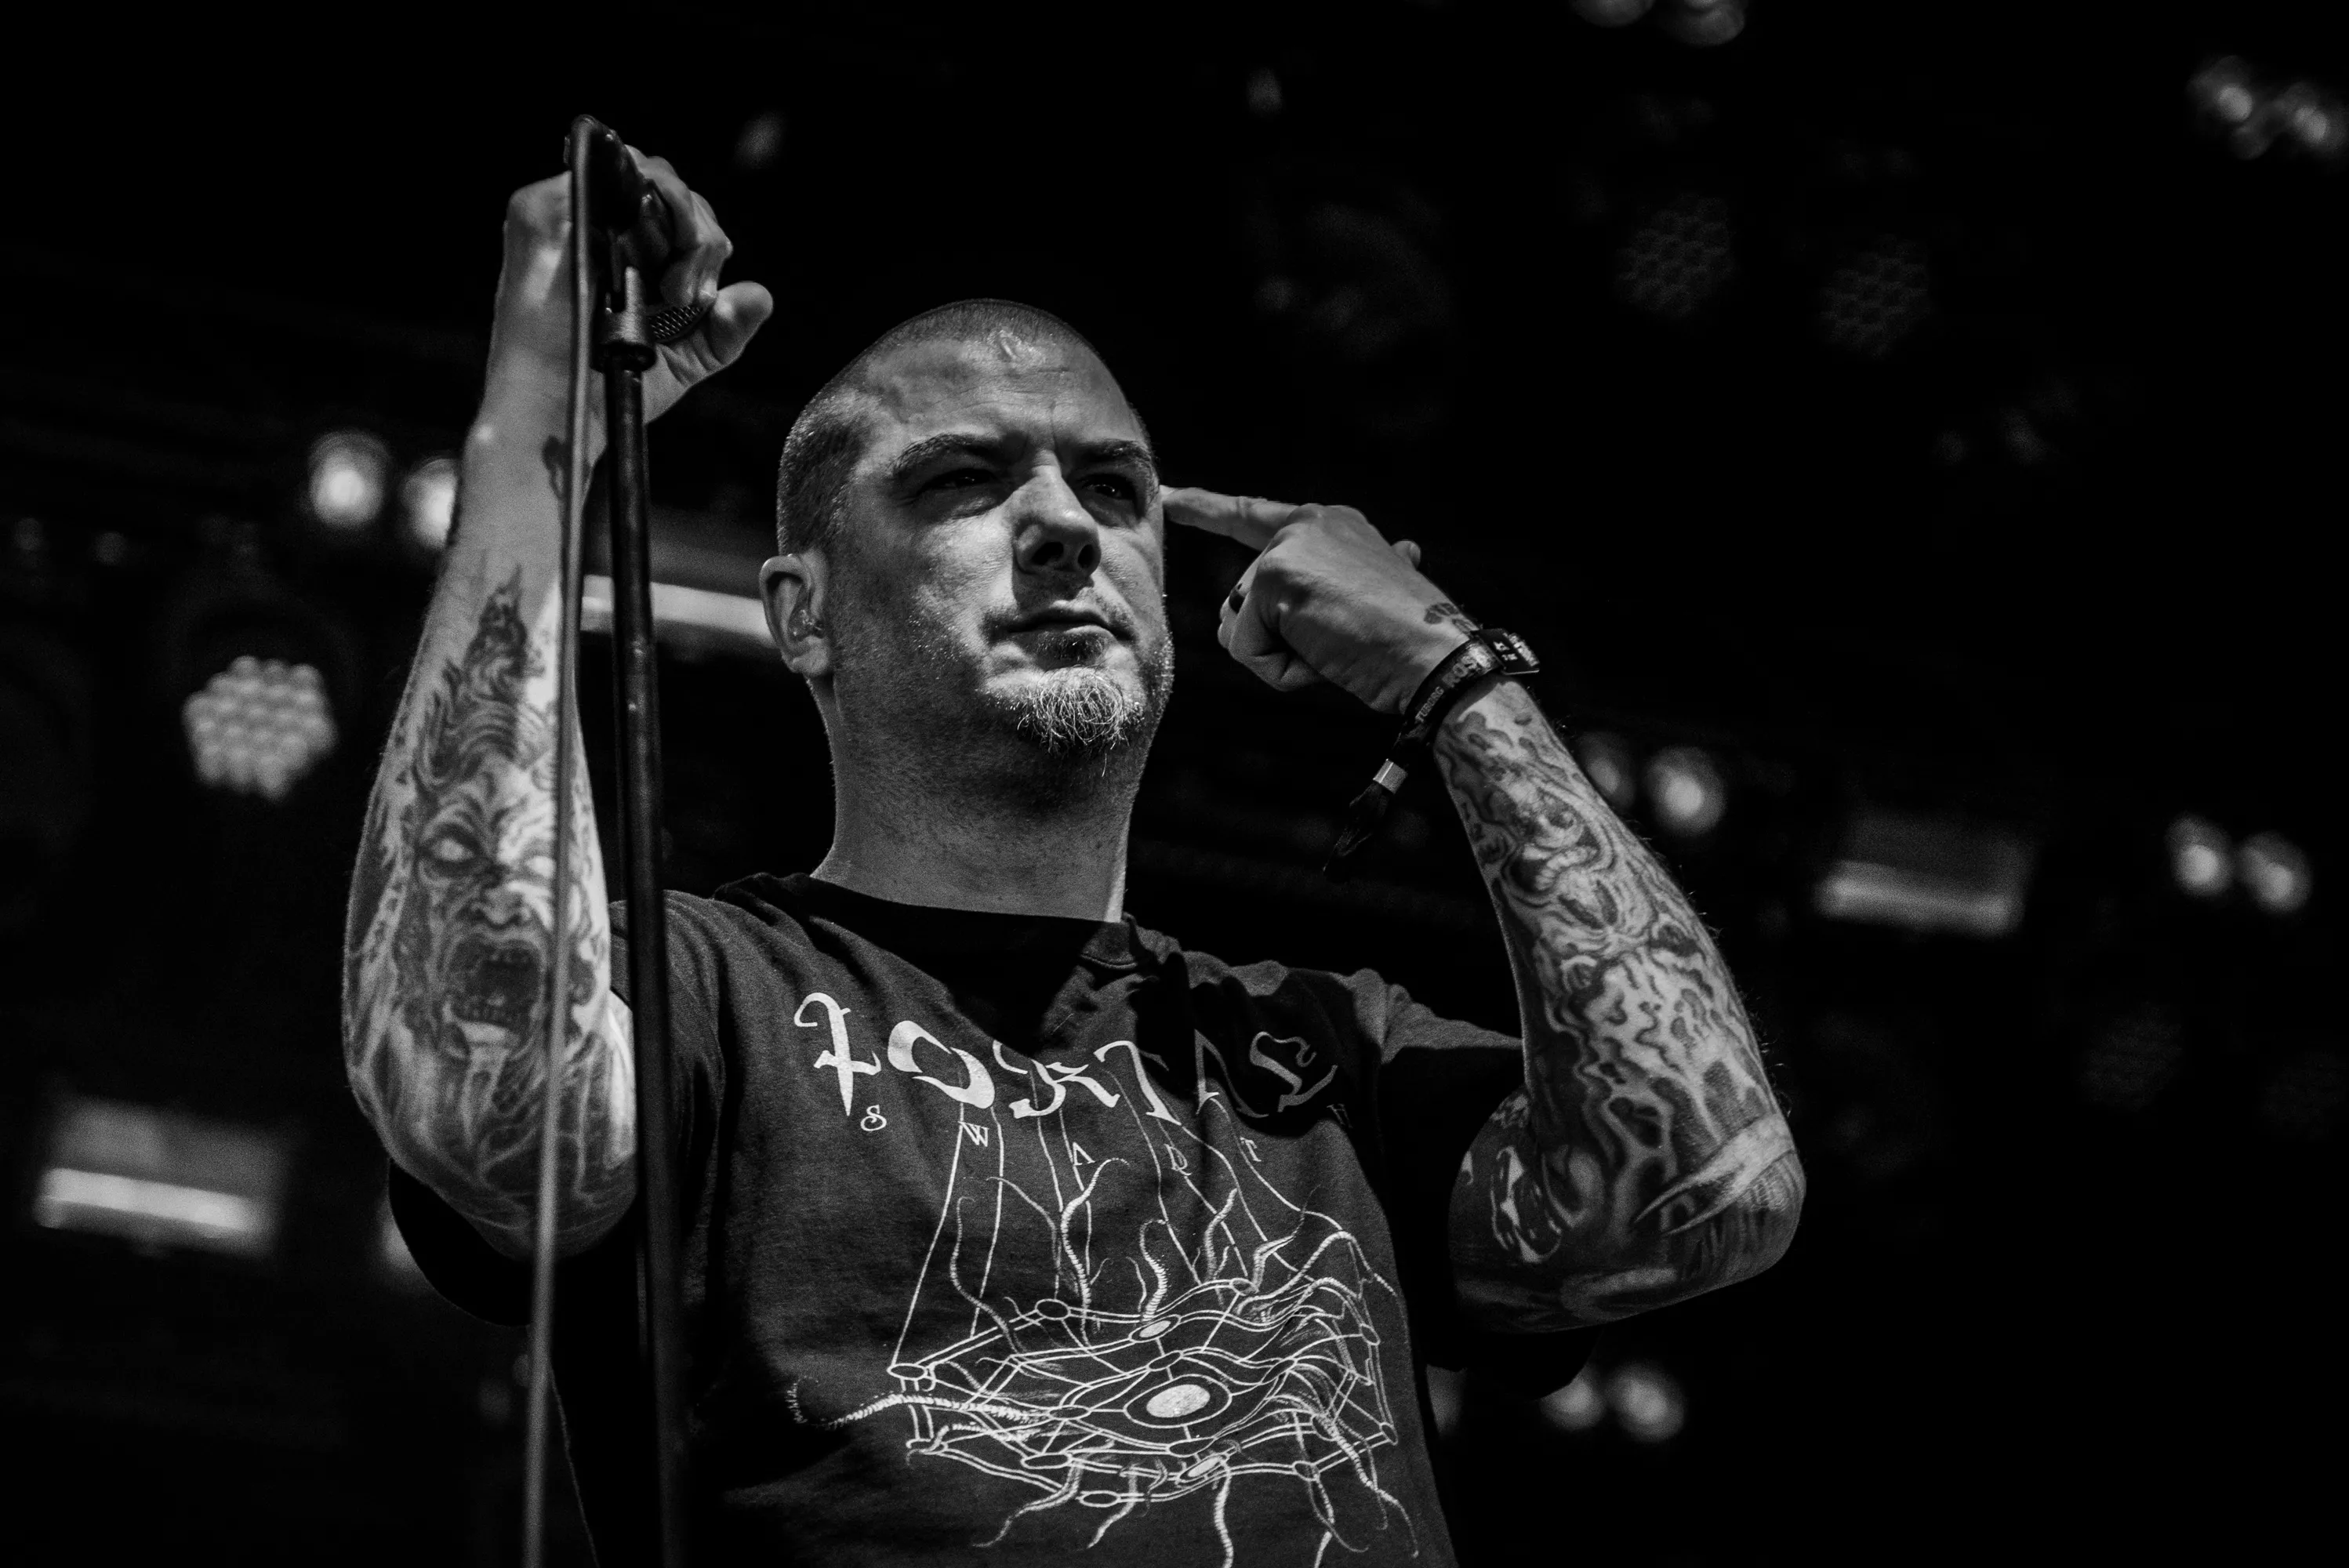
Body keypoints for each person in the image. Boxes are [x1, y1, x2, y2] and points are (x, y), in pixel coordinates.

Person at [343, 148, 1803, 1566]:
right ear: (803, 613)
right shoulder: (705, 999)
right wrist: (543, 432)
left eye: (1113, 490)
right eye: (964, 481)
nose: (1061, 525)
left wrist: (1456, 677)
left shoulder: (1328, 1058)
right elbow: (482, 1088)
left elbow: (1707, 1195)